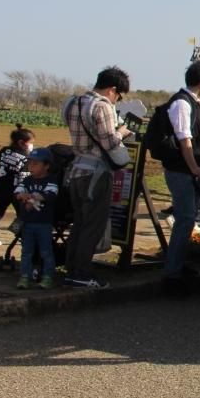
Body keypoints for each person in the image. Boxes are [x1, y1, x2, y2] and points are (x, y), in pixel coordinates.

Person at [62, 66, 132, 290]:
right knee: (93, 225)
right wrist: (122, 132)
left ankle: (71, 269)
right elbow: (110, 142)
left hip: (76, 171)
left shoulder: (74, 102)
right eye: (119, 96)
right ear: (112, 89)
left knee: (79, 222)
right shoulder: (102, 106)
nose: (117, 100)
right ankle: (82, 273)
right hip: (96, 173)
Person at [161, 60, 200, 294]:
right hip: (181, 172)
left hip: (186, 171)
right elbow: (185, 140)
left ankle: (178, 265)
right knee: (184, 220)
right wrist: (194, 168)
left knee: (187, 220)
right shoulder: (182, 104)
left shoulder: (192, 102)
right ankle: (172, 274)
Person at [14, 147, 60, 289]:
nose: (31, 167)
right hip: (27, 223)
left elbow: (49, 195)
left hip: (44, 223)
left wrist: (30, 198)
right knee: (26, 252)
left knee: (46, 251)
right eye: (30, 164)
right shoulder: (27, 180)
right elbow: (18, 193)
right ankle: (25, 276)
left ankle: (48, 277)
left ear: (47, 166)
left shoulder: (51, 181)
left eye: (35, 164)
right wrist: (25, 196)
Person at [0, 124, 34, 245]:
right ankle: (20, 234)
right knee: (22, 213)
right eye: (30, 143)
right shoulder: (25, 157)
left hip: (1, 186)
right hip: (16, 190)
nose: (31, 145)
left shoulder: (5, 150)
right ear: (21, 143)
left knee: (0, 211)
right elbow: (24, 176)